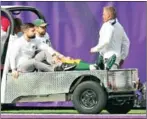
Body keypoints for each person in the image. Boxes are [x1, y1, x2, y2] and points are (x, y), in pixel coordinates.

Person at [9, 23, 76, 79]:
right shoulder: (18, 42)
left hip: (31, 61)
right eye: (33, 31)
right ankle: (54, 70)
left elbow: (46, 47)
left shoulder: (34, 40)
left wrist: (54, 55)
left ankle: (60, 65)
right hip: (21, 67)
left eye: (35, 30)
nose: (35, 32)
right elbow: (12, 56)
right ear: (25, 31)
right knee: (34, 62)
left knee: (44, 52)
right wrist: (13, 69)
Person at [33, 19, 99, 70]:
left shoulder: (46, 35)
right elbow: (47, 50)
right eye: (42, 27)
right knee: (68, 62)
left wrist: (61, 56)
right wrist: (62, 57)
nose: (45, 29)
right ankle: (91, 67)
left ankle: (92, 66)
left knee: (73, 60)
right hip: (45, 61)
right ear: (35, 28)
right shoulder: (35, 39)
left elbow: (51, 49)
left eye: (45, 27)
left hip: (52, 57)